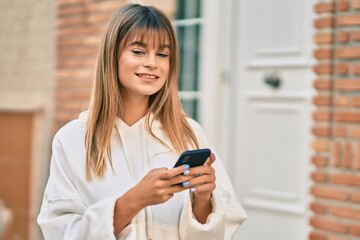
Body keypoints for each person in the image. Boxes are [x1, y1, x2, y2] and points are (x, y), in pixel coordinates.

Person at [38, 3, 246, 240]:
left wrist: (203, 198)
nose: (152, 63)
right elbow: (60, 232)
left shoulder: (189, 132)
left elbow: (219, 229)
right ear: (112, 55)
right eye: (138, 51)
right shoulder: (72, 140)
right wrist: (133, 200)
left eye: (162, 54)